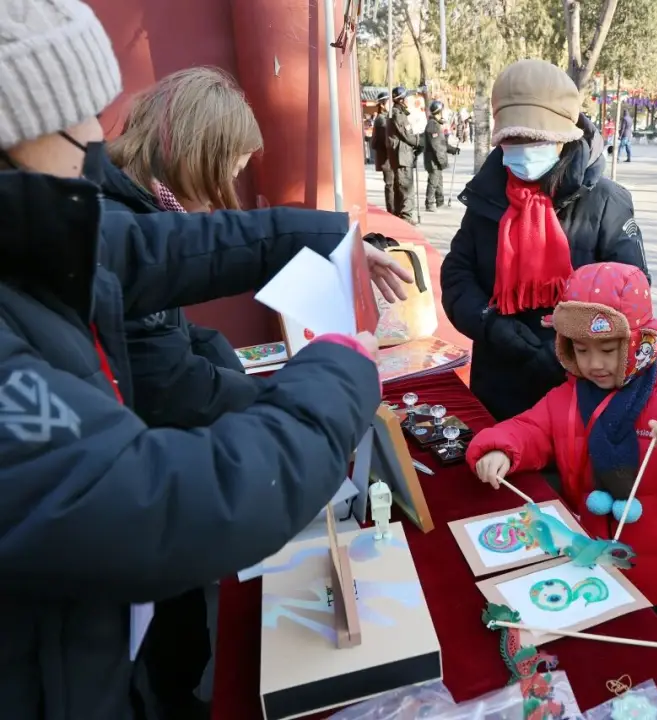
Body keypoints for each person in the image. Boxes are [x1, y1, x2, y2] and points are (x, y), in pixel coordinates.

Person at [0, 1, 411, 717]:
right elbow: (158, 504)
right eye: (77, 123)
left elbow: (161, 253)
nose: (100, 137)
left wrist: (330, 240)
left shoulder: (43, 239)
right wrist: (337, 370)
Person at [468, 262, 657, 661]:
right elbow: (530, 428)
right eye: (581, 351)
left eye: (607, 350)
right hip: (596, 558)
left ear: (638, 342)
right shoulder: (569, 396)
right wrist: (498, 447)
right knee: (616, 656)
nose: (593, 364)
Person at [103, 64, 266, 718]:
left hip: (149, 474)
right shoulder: (122, 223)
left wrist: (228, 368)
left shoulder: (142, 209)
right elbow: (166, 378)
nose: (228, 187)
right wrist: (285, 407)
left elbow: (180, 331)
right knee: (162, 651)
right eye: (226, 168)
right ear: (193, 155)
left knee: (179, 629)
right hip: (132, 493)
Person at [440, 58, 649, 422]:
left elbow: (632, 299)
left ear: (563, 137)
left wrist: (569, 347)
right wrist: (490, 324)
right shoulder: (488, 196)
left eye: (534, 138)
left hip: (578, 391)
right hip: (498, 384)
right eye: (512, 138)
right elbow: (458, 274)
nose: (522, 148)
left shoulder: (606, 202)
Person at [387, 85, 420, 224]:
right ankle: (406, 217)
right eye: (407, 98)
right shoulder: (398, 114)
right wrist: (419, 141)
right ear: (401, 100)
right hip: (402, 156)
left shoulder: (398, 113)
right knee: (406, 187)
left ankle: (402, 215)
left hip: (403, 155)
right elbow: (407, 135)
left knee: (401, 186)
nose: (409, 101)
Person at [423, 100, 459, 212]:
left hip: (436, 160)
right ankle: (429, 203)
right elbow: (437, 147)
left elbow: (442, 144)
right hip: (433, 160)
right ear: (438, 112)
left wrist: (453, 149)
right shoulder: (433, 126)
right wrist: (442, 161)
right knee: (433, 181)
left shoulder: (436, 124)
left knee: (438, 181)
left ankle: (440, 201)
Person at [371, 90, 393, 211]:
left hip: (389, 157)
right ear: (383, 104)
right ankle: (391, 210)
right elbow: (385, 140)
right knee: (390, 185)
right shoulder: (381, 119)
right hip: (386, 157)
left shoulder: (386, 117)